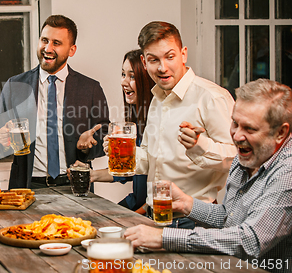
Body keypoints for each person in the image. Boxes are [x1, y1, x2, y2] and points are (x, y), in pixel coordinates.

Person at [125, 79, 292, 273]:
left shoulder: (287, 171)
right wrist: (187, 204)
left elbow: (250, 240)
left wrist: (163, 238)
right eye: (235, 124)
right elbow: (229, 218)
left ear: (281, 132)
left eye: (250, 128)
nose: (237, 136)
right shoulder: (248, 154)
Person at [134, 21, 237, 228]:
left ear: (183, 54)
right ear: (144, 63)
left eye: (169, 57)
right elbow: (149, 158)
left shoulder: (211, 97)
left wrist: (200, 146)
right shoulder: (158, 97)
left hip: (194, 220)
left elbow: (238, 159)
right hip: (155, 216)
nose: (162, 68)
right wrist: (123, 152)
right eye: (154, 60)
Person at [0, 14, 110, 189]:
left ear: (72, 50)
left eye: (56, 43)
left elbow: (104, 136)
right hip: (26, 185)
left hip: (74, 185)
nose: (48, 48)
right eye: (44, 40)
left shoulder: (90, 88)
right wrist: (1, 140)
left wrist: (87, 147)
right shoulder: (14, 86)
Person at [76, 49, 154, 212]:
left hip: (150, 210)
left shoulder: (158, 123)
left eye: (132, 76)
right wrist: (92, 175)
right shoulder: (135, 121)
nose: (124, 82)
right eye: (123, 74)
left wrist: (131, 218)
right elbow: (127, 170)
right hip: (136, 203)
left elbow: (163, 187)